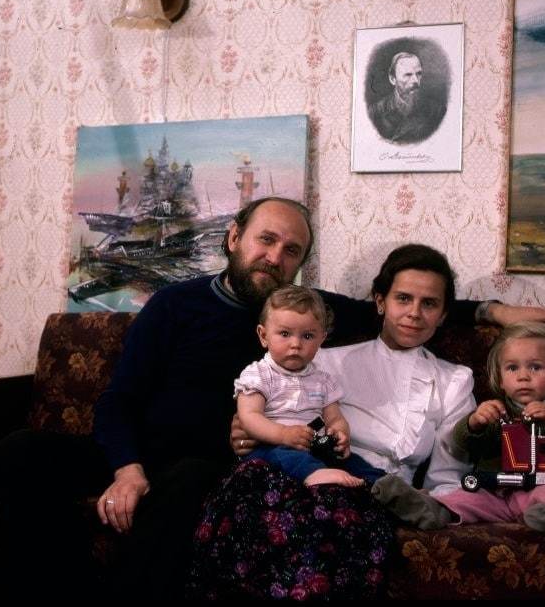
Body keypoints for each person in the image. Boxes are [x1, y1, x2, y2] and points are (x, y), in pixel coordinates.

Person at [0, 196, 545, 600]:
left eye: (291, 250)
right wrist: (126, 467)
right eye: (266, 240)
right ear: (233, 238)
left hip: (218, 461)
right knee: (18, 451)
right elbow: (118, 399)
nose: (275, 257)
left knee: (191, 478)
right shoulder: (175, 305)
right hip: (141, 452)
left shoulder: (307, 313)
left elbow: (410, 310)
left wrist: (497, 312)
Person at [189, 243, 476, 599]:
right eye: (403, 298)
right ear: (380, 301)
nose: (414, 313)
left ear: (444, 315)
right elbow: (276, 405)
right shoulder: (324, 360)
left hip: (377, 492)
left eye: (429, 304)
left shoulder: (455, 380)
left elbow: (447, 473)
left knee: (336, 519)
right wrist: (247, 429)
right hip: (307, 471)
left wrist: (440, 506)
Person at [372, 321, 545, 537]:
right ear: (500, 379)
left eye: (535, 367)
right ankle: (431, 509)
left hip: (540, 493)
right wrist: (475, 423)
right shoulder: (496, 412)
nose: (523, 376)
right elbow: (464, 442)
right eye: (512, 368)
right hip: (495, 493)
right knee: (463, 496)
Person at [235, 285, 384, 487]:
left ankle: (384, 485)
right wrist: (283, 434)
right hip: (269, 447)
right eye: (285, 334)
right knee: (285, 456)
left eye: (307, 336)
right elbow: (248, 417)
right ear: (263, 336)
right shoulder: (258, 374)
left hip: (315, 448)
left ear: (321, 339)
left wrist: (340, 434)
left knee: (354, 461)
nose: (295, 344)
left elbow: (334, 417)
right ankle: (315, 474)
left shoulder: (322, 380)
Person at [367, 51, 447, 144]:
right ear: (392, 79)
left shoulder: (437, 111)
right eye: (408, 75)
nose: (416, 81)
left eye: (419, 74)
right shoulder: (375, 113)